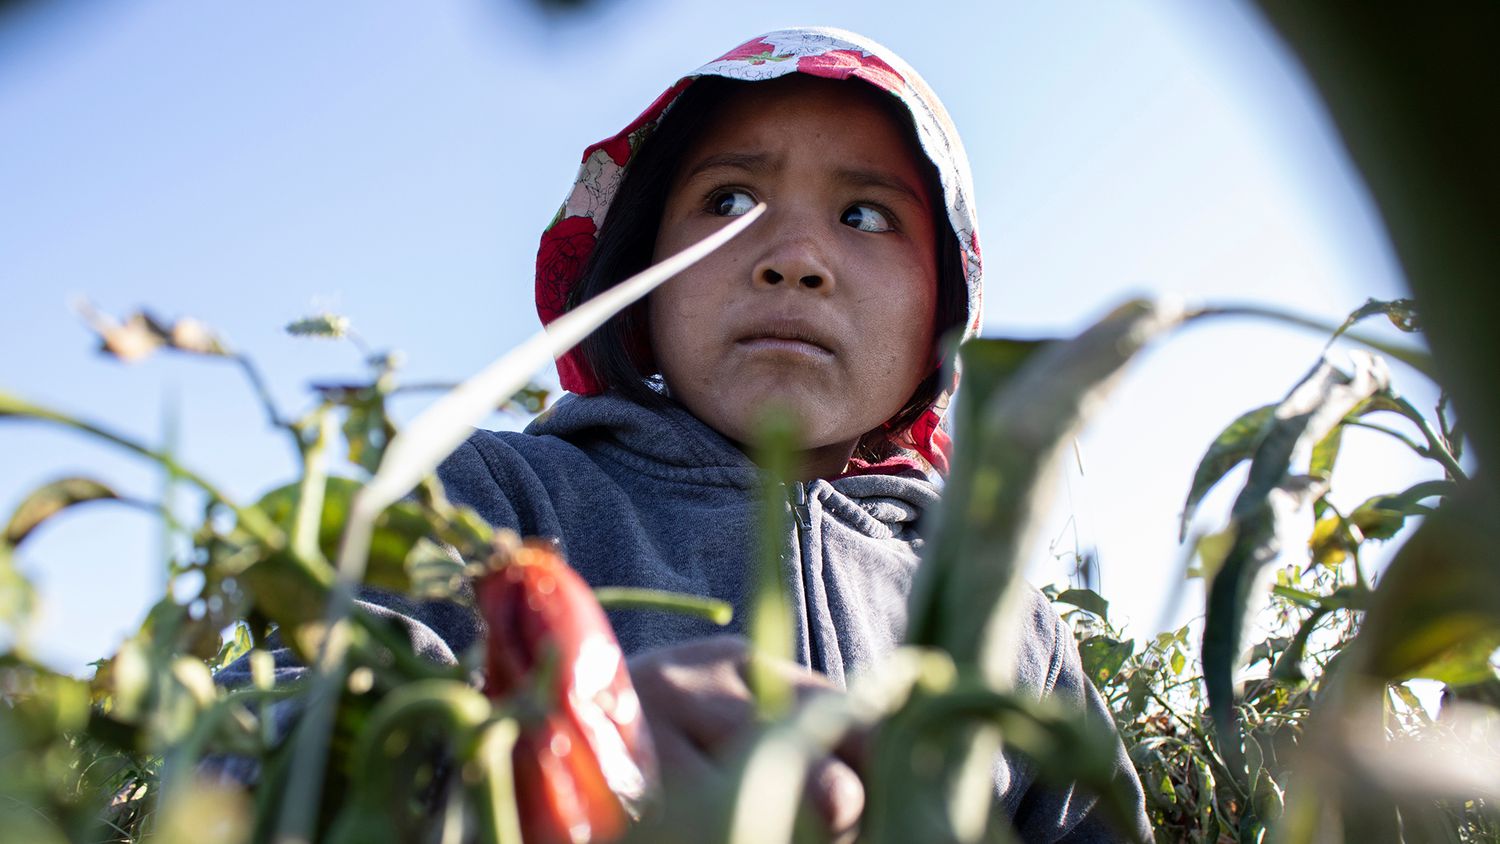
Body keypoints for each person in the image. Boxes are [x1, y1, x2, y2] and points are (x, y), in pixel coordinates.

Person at [425, 26, 1152, 843]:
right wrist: (562, 758)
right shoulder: (487, 498)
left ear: (940, 314)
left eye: (866, 215)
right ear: (639, 276)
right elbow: (293, 729)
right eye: (729, 201)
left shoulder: (1010, 630)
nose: (796, 258)